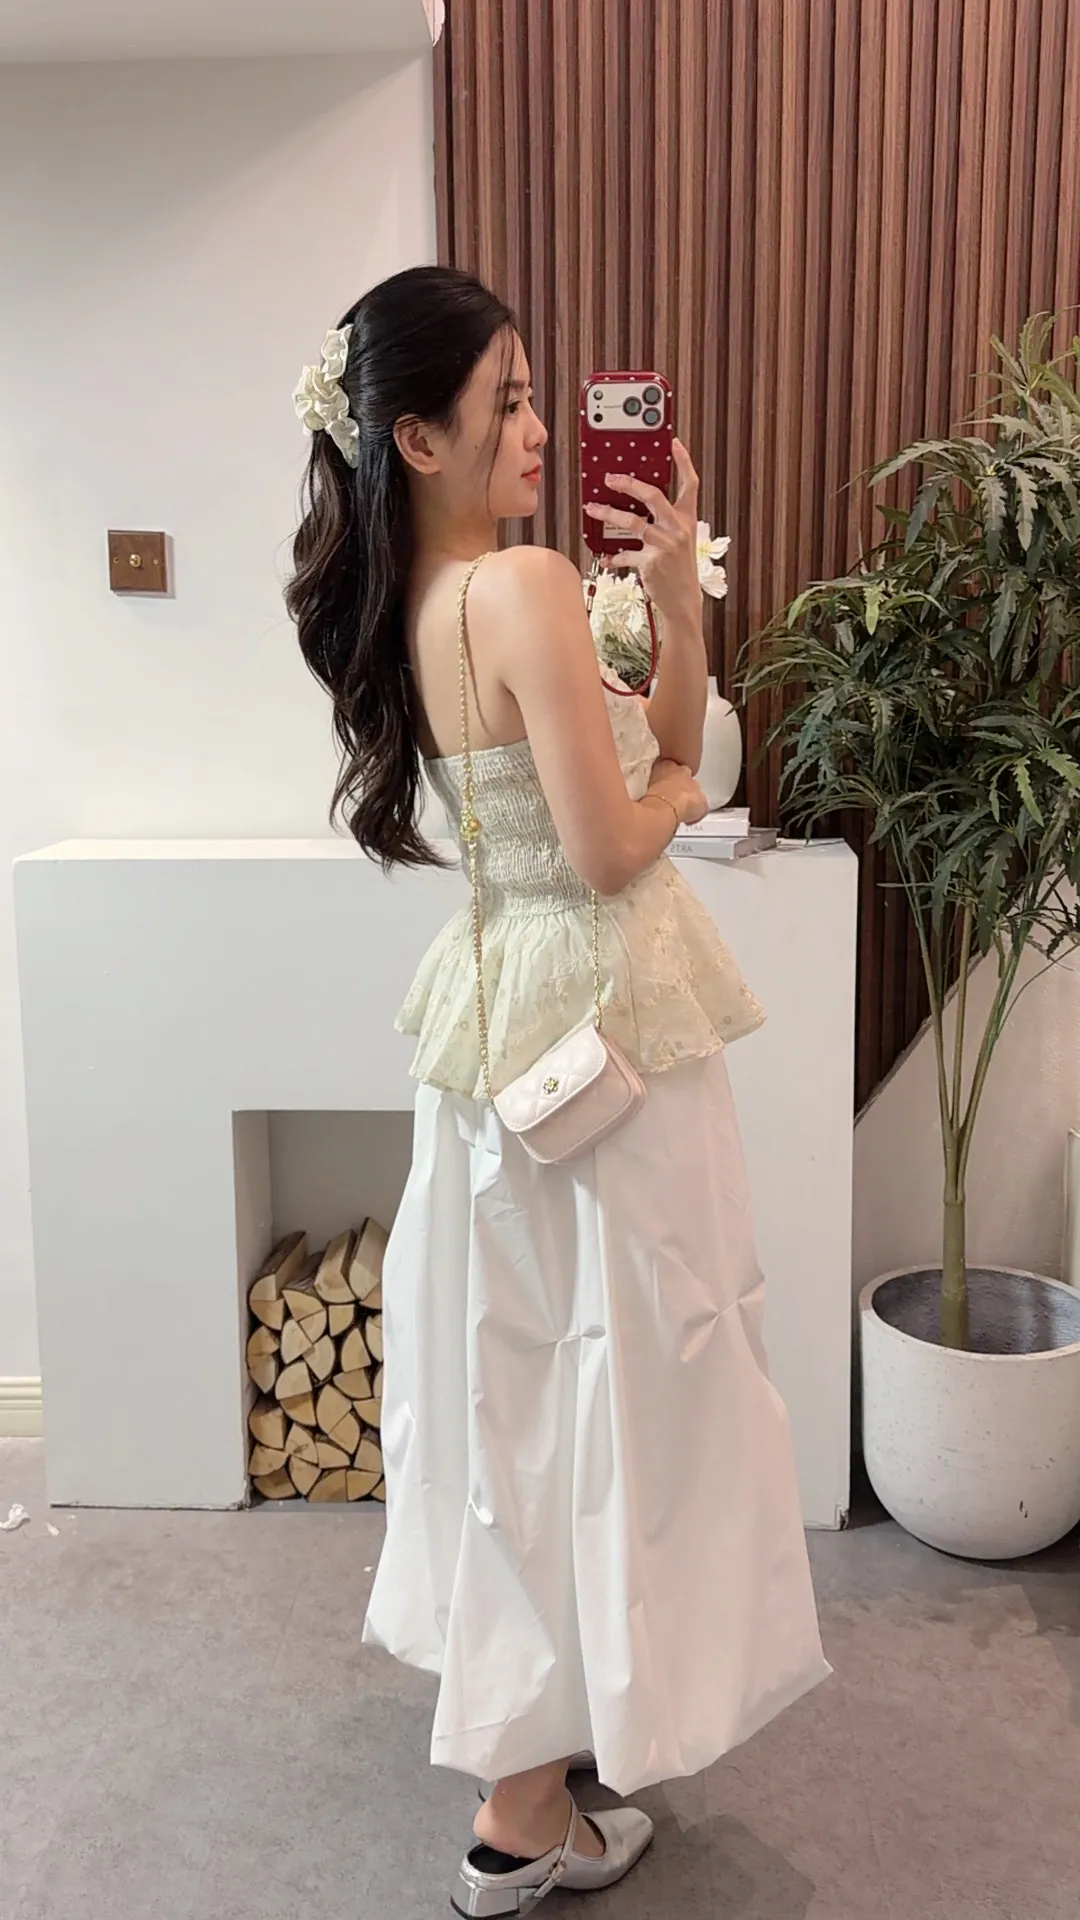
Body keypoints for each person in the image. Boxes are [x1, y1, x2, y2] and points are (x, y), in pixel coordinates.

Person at [287, 265, 830, 1916]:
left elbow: (659, 743)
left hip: (507, 1017)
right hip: (601, 1019)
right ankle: (524, 1811)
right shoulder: (520, 583)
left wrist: (676, 606)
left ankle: (542, 1751)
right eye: (508, 399)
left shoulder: (425, 596)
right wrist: (676, 796)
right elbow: (617, 839)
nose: (538, 426)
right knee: (625, 1371)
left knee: (526, 1381)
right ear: (416, 436)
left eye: (535, 395)